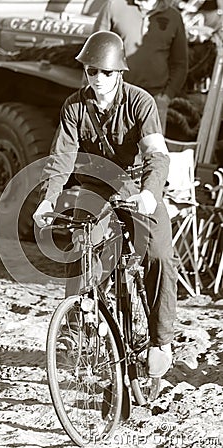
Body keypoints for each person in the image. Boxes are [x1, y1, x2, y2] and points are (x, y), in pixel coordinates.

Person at [33, 31, 178, 380]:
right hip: (94, 190)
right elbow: (61, 159)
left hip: (137, 188)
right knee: (80, 248)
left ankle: (161, 342)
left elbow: (157, 155)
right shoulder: (74, 107)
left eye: (107, 73)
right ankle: (75, 329)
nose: (98, 79)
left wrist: (149, 194)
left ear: (120, 73)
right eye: (92, 71)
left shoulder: (140, 103)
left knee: (159, 254)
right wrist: (48, 200)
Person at [93, 0, 188, 134]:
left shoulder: (173, 16)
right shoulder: (114, 6)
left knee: (151, 152)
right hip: (114, 98)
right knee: (107, 150)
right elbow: (94, 53)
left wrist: (166, 96)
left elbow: (180, 63)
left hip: (154, 101)